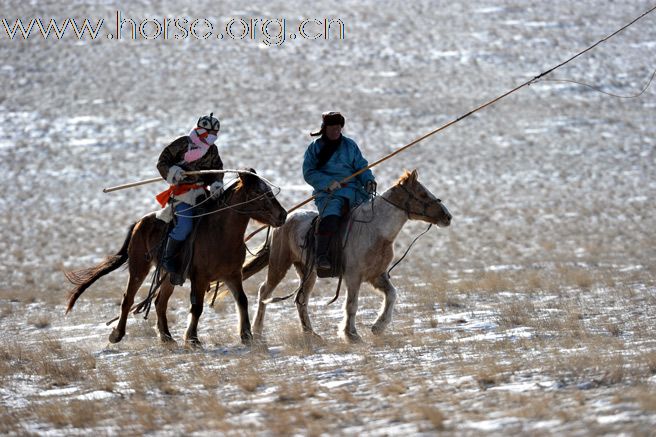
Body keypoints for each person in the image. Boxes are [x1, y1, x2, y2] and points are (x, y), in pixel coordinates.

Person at [155, 113, 225, 284]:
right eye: (206, 133)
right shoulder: (181, 143)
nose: (209, 137)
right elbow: (162, 162)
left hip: (202, 195)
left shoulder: (212, 150)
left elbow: (217, 171)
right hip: (182, 195)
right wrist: (173, 172)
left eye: (212, 134)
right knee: (185, 226)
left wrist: (216, 183)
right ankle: (168, 257)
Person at [302, 111, 377, 270]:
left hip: (355, 191)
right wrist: (328, 183)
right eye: (332, 129)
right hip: (329, 194)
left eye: (338, 128)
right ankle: (322, 256)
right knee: (330, 218)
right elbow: (309, 172)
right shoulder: (315, 148)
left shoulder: (350, 145)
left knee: (371, 217)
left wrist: (368, 180)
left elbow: (361, 167)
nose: (335, 132)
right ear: (325, 128)